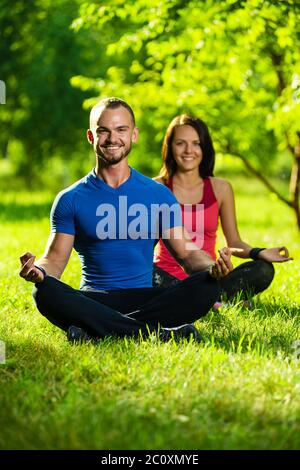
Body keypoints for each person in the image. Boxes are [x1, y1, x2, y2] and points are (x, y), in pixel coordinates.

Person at [19, 98, 233, 342]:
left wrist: (212, 268)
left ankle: (95, 331)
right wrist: (39, 272)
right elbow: (55, 260)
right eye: (104, 130)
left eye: (121, 129)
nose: (113, 138)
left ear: (134, 135)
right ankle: (157, 334)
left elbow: (187, 255)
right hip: (94, 299)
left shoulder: (159, 195)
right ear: (91, 136)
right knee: (44, 291)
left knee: (206, 287)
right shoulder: (70, 198)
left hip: (145, 297)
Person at [153, 114, 292, 305]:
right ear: (170, 147)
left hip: (209, 275)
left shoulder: (221, 188)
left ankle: (208, 299)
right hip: (165, 279)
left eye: (196, 143)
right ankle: (217, 301)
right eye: (180, 143)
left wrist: (259, 252)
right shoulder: (155, 188)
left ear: (205, 148)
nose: (188, 150)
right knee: (144, 271)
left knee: (263, 270)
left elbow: (234, 241)